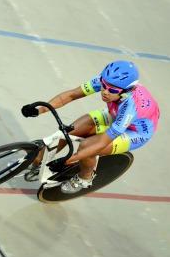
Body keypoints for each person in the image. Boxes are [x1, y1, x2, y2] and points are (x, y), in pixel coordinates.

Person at [21, 60, 160, 193]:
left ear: (126, 91)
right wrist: (39, 110)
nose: (105, 91)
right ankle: (42, 160)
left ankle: (85, 178)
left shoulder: (130, 107)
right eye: (104, 85)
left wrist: (67, 160)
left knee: (87, 148)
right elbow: (71, 95)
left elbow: (101, 143)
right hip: (116, 114)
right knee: (70, 131)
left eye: (111, 90)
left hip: (135, 131)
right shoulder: (109, 82)